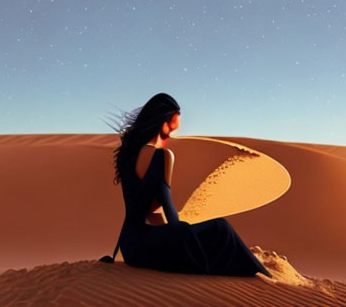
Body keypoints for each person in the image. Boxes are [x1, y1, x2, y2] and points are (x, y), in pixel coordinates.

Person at [99, 93, 274, 281]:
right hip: (147, 246)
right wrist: (181, 238)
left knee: (199, 234)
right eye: (174, 126)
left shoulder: (128, 154)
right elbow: (167, 208)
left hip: (130, 247)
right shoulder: (162, 156)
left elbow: (149, 212)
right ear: (165, 123)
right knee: (219, 228)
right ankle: (264, 278)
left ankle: (255, 273)